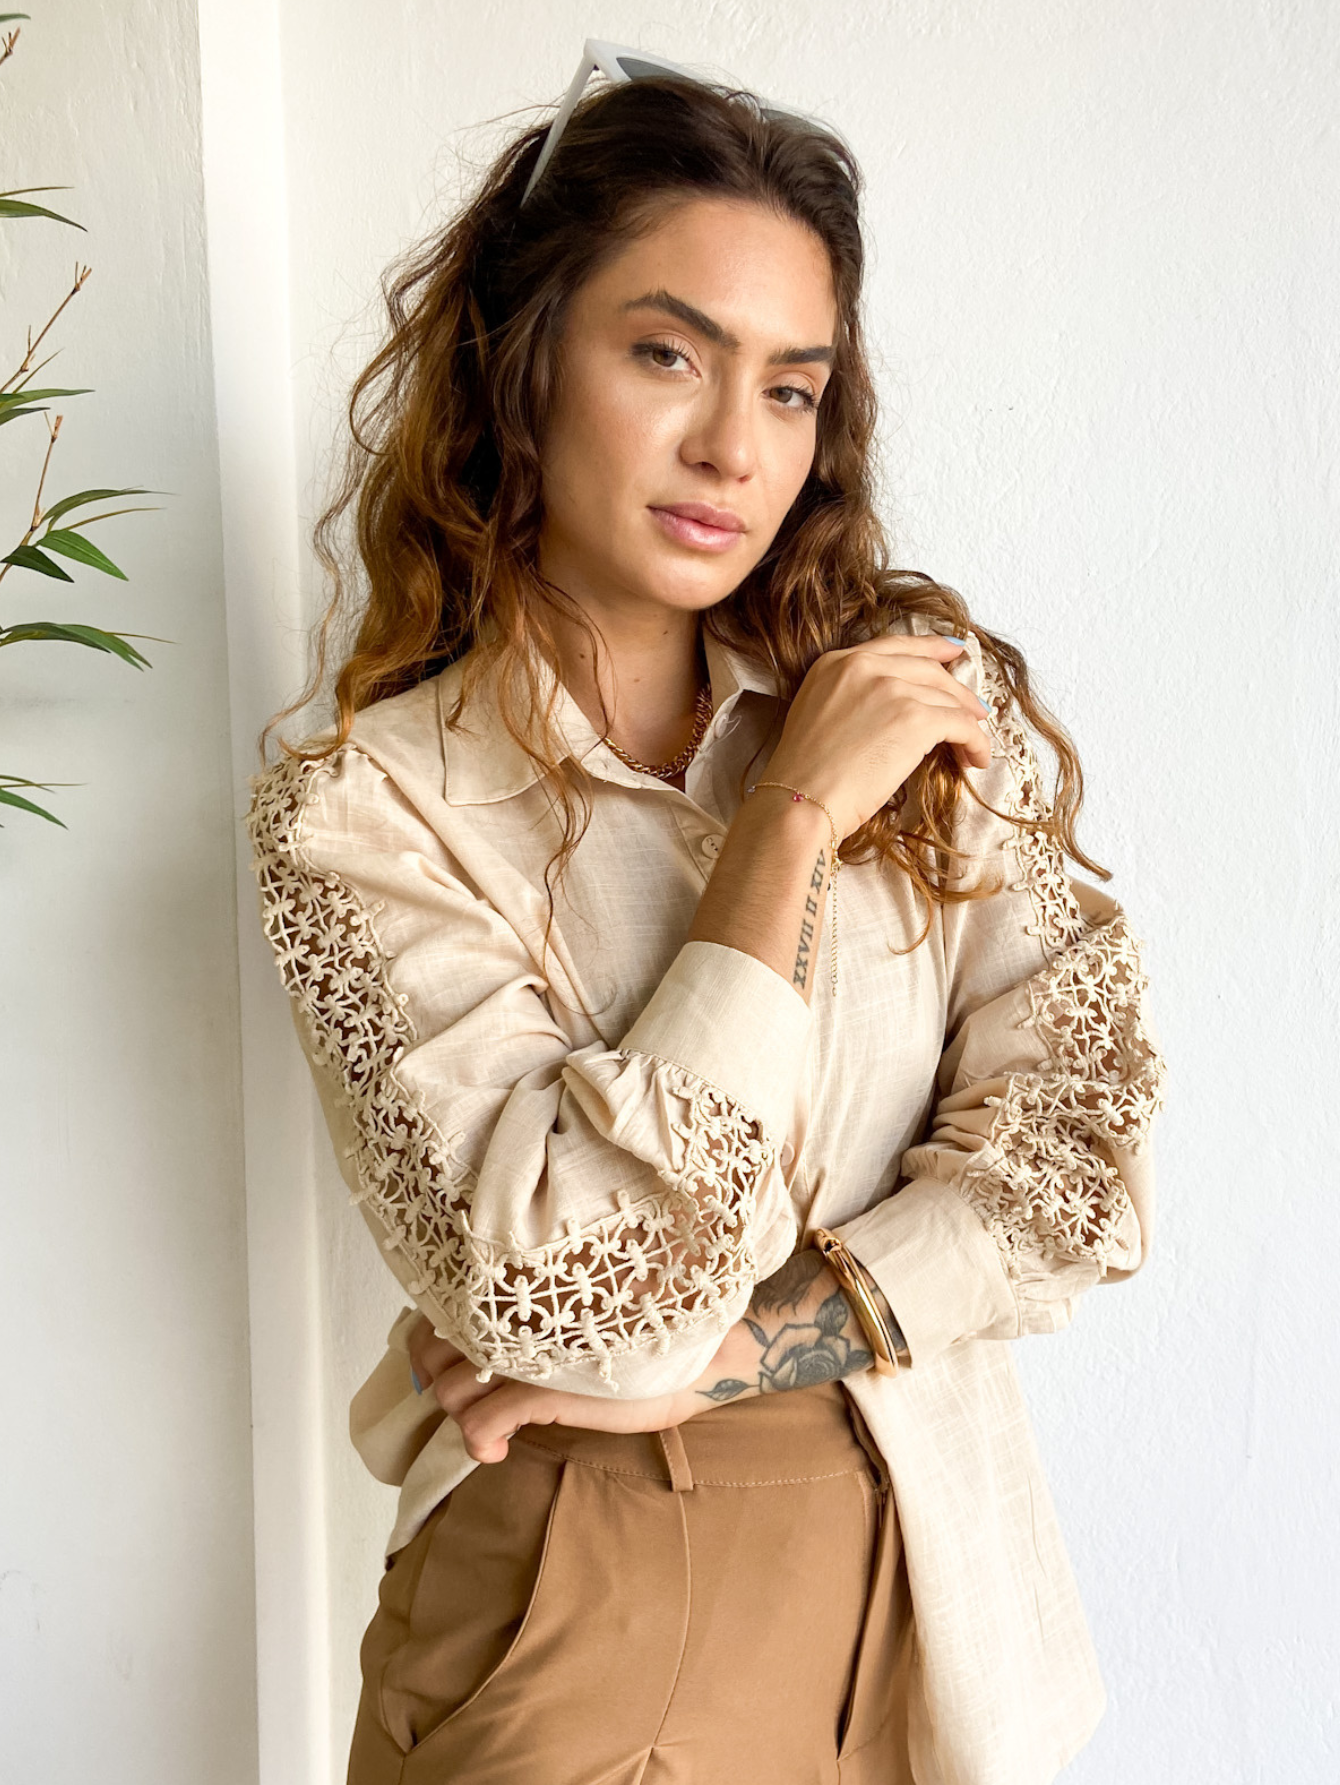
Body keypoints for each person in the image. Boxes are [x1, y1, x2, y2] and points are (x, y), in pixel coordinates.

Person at [244, 43, 1168, 1785]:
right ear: (523, 365)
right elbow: (576, 1298)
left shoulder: (916, 706)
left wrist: (735, 1351)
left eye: (791, 388)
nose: (734, 447)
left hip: (931, 1580)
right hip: (581, 1577)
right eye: (666, 353)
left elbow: (1082, 1161)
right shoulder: (369, 814)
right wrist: (790, 822)